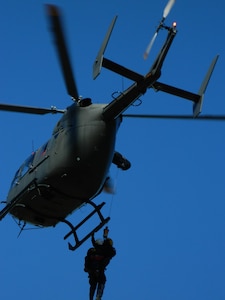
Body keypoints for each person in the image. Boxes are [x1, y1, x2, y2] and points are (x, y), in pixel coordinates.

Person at [84, 230, 116, 300]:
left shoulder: (95, 249)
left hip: (92, 271)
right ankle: (98, 296)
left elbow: (96, 244)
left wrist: (92, 236)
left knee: (93, 284)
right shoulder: (107, 250)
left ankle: (91, 298)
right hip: (98, 269)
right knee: (101, 281)